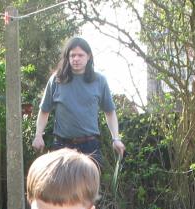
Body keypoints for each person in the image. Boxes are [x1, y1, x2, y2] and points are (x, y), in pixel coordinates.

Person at [32, 37, 125, 167]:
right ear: (67, 57)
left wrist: (116, 139)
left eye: (80, 55)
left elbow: (110, 112)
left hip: (89, 147)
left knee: (89, 182)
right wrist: (38, 136)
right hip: (62, 147)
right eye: (72, 55)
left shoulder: (99, 81)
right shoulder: (56, 80)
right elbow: (44, 111)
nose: (76, 59)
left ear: (89, 56)